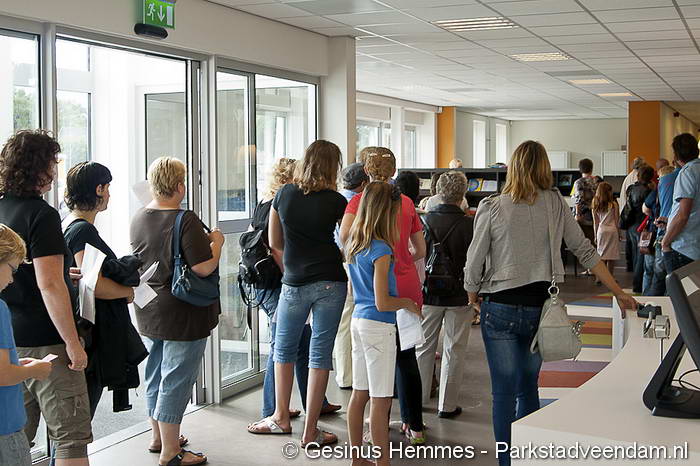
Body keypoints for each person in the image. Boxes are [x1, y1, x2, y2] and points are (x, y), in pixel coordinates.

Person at [465, 141, 637, 466]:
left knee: (503, 393)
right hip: (541, 309)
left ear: (513, 168)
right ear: (545, 167)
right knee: (528, 387)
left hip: (499, 307)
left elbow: (475, 260)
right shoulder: (555, 203)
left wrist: (471, 294)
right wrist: (617, 291)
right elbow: (584, 250)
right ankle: (527, 457)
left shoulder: (492, 206)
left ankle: (507, 461)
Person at [0, 130, 92, 466]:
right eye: (52, 163)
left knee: (16, 436)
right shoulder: (42, 214)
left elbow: (20, 270)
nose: (54, 172)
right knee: (70, 438)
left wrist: (60, 272)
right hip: (46, 340)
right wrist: (73, 343)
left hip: (10, 341)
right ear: (39, 168)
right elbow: (49, 285)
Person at [248, 140, 348, 449]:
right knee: (320, 354)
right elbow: (347, 241)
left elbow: (275, 242)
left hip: (293, 282)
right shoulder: (337, 201)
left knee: (283, 350)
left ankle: (280, 417)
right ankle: (311, 430)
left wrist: (292, 264)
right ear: (333, 167)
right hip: (331, 280)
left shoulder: (284, 194)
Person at [131, 156, 224, 466]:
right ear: (180, 186)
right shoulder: (186, 220)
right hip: (183, 311)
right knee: (177, 377)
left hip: (149, 307)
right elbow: (202, 267)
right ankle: (171, 451)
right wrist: (218, 244)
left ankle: (159, 437)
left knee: (155, 372)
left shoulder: (139, 217)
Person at [340, 147, 427, 444]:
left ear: (365, 170)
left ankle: (375, 432)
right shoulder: (404, 201)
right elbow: (421, 249)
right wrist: (398, 259)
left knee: (370, 379)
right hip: (402, 287)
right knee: (406, 359)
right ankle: (414, 425)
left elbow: (346, 241)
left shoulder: (359, 202)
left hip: (369, 295)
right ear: (394, 171)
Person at [62, 161, 143, 417]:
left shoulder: (68, 224)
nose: (109, 194)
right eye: (107, 188)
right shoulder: (82, 230)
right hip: (90, 334)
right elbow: (92, 283)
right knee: (80, 417)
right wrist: (127, 292)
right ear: (98, 189)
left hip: (80, 327)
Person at [415, 171, 474, 418]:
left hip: (428, 293)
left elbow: (416, 257)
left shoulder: (423, 221)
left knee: (423, 347)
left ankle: (418, 401)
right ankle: (447, 406)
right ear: (463, 194)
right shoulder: (469, 225)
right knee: (454, 348)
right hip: (460, 294)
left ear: (438, 192)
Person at [0, 224, 53, 466]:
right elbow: (3, 375)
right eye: (12, 269)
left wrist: (16, 364)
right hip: (5, 427)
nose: (12, 279)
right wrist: (34, 370)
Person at [334, 162, 369, 389]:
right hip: (356, 263)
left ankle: (345, 375)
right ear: (364, 183)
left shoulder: (335, 200)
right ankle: (358, 375)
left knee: (344, 322)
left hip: (339, 263)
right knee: (359, 319)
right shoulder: (360, 203)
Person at [662, 133, 700, 272]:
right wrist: (669, 221)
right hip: (695, 244)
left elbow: (683, 215)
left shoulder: (687, 173)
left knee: (678, 285)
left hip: (684, 246)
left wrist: (665, 242)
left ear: (677, 156)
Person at [625, 165, 654, 293]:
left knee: (635, 255)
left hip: (631, 225)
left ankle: (636, 284)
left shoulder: (631, 188)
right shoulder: (649, 191)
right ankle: (638, 285)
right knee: (641, 257)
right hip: (643, 225)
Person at [620, 156, 646, 271]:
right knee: (636, 243)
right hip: (636, 215)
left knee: (629, 242)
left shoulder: (628, 177)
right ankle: (636, 267)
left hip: (627, 214)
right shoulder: (638, 178)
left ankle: (629, 264)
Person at [592, 182, 621, 281]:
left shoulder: (595, 204)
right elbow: (617, 221)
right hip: (612, 231)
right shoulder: (613, 204)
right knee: (611, 256)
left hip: (601, 231)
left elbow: (595, 222)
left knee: (601, 255)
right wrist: (619, 233)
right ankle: (610, 278)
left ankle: (599, 277)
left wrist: (595, 235)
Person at [572, 158, 599, 262]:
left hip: (584, 217)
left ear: (580, 169)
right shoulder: (598, 181)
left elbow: (578, 200)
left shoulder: (578, 183)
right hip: (597, 215)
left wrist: (577, 215)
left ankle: (589, 266)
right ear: (591, 168)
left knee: (585, 245)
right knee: (595, 243)